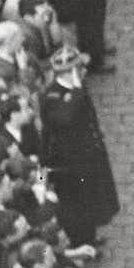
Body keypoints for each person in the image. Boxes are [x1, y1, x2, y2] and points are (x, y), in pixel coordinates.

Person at [37, 49, 118, 247]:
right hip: (69, 165)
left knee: (90, 198)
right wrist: (76, 90)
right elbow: (65, 118)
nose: (84, 71)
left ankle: (90, 237)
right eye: (79, 68)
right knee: (77, 206)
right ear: (70, 72)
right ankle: (81, 242)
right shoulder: (53, 95)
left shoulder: (77, 89)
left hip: (88, 157)